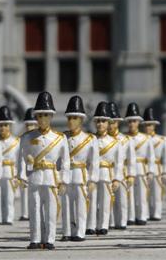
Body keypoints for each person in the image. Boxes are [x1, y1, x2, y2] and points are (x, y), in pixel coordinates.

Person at [17, 91, 70, 250]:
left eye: (46, 115)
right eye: (39, 115)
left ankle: (49, 239)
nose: (42, 119)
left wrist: (63, 180)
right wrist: (22, 174)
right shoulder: (27, 137)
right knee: (34, 210)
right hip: (34, 177)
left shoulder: (60, 138)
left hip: (52, 177)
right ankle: (34, 239)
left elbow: (65, 161)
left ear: (51, 116)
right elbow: (20, 157)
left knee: (51, 210)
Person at [61, 95, 97, 242]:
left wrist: (93, 179)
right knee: (66, 204)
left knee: (81, 205)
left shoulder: (90, 139)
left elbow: (94, 162)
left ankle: (80, 232)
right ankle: (67, 231)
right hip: (65, 175)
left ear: (81, 120)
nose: (71, 121)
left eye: (74, 118)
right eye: (69, 118)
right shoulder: (62, 137)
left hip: (81, 174)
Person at [87, 101, 122, 236]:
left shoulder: (115, 142)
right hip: (92, 174)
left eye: (103, 121)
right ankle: (90, 225)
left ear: (108, 123)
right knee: (91, 200)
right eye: (98, 121)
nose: (100, 124)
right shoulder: (89, 139)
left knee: (105, 201)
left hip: (107, 173)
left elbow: (118, 163)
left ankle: (103, 225)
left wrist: (117, 178)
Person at [125, 102, 155, 225]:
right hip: (127, 169)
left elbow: (151, 156)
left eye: (134, 121)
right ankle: (131, 216)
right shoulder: (124, 138)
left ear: (138, 122)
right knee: (129, 194)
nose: (132, 123)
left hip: (142, 168)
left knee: (142, 194)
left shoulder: (146, 139)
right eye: (130, 121)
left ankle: (142, 216)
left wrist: (150, 170)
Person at [107, 102, 132, 230]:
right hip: (106, 170)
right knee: (107, 199)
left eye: (114, 122)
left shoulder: (125, 139)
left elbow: (131, 159)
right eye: (109, 122)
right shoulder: (102, 139)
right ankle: (110, 222)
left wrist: (130, 174)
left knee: (122, 199)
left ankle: (122, 222)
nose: (111, 125)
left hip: (121, 171)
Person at [142, 107, 166, 222]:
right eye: (146, 125)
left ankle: (157, 213)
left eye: (150, 125)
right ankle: (145, 213)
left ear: (154, 126)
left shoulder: (162, 139)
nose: (148, 127)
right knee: (144, 192)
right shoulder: (141, 139)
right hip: (144, 167)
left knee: (157, 192)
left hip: (158, 167)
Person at [0, 106, 20, 226]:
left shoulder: (16, 141)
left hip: (10, 171)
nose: (3, 128)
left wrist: (17, 175)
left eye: (5, 125)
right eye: (1, 125)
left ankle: (8, 218)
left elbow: (19, 160)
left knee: (9, 197)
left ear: (10, 126)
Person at [19, 107, 37, 221]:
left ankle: (34, 212)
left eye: (32, 124)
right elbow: (20, 157)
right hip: (26, 168)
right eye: (28, 125)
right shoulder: (24, 138)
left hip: (38, 169)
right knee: (24, 192)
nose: (29, 127)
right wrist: (21, 174)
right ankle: (25, 213)